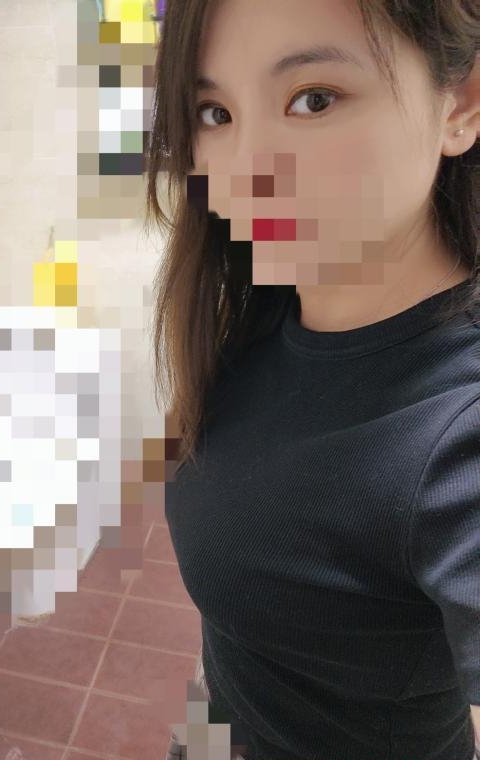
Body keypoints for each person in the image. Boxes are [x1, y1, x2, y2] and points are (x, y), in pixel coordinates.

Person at [143, 1, 480, 758]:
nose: (244, 173)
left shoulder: (459, 431)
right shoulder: (264, 305)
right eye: (214, 112)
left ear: (461, 103)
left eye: (314, 99)